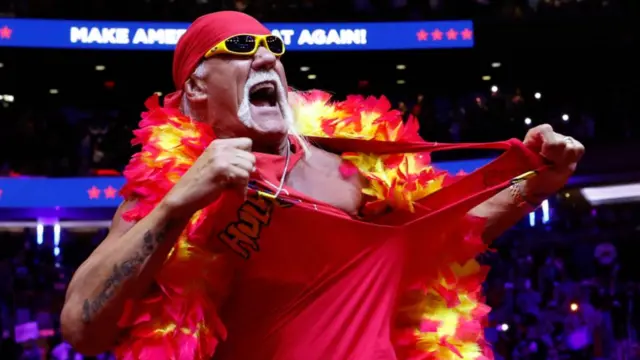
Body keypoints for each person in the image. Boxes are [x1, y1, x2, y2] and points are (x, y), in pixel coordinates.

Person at [60, 11, 584, 360]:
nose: (266, 57)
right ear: (196, 87)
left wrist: (538, 182)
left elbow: (431, 245)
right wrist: (177, 204)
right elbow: (83, 329)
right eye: (241, 47)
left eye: (272, 46)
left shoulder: (350, 164)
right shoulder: (171, 190)